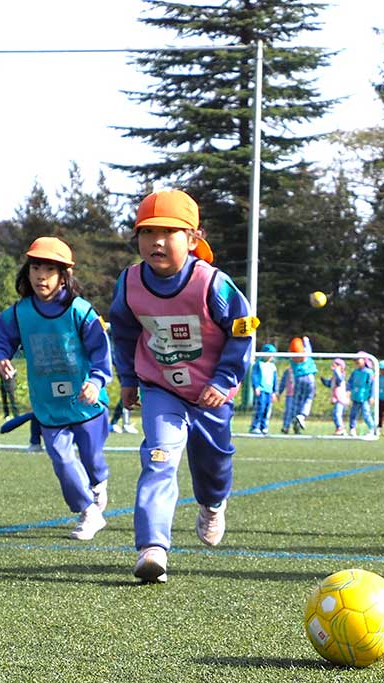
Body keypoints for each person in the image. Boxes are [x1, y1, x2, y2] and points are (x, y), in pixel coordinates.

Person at [107, 189, 255, 583]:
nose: (156, 241)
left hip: (209, 394)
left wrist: (224, 380)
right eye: (147, 231)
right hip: (161, 388)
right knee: (158, 459)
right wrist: (127, 378)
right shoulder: (129, 283)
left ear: (193, 238)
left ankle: (212, 503)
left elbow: (243, 330)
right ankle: (152, 548)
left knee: (214, 461)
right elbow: (122, 332)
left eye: (169, 232)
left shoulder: (214, 284)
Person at [0, 236, 113, 540]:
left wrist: (96, 382)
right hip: (48, 405)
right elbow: (1, 338)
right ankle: (89, 511)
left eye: (48, 269)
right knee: (61, 457)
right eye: (35, 268)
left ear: (64, 276)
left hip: (87, 403)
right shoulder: (20, 312)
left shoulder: (81, 311)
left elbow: (101, 352)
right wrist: (0, 357)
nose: (40, 276)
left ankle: (98, 485)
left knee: (92, 460)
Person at [248, 343, 278, 435]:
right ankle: (255, 426)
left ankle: (264, 426)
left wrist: (274, 392)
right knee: (260, 408)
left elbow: (275, 380)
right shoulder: (258, 365)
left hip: (269, 391)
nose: (270, 356)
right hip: (261, 391)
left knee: (267, 409)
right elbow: (254, 376)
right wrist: (256, 386)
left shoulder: (272, 366)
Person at [289, 335, 317, 432]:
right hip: (309, 378)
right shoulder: (307, 355)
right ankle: (302, 415)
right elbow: (308, 348)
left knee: (297, 399)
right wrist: (306, 340)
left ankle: (295, 417)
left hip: (298, 379)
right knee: (308, 398)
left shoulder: (292, 360)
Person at [346, 356, 376, 436]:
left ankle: (372, 429)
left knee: (366, 413)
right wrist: (348, 393)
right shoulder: (355, 372)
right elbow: (350, 383)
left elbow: (372, 385)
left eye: (358, 359)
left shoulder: (369, 372)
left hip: (365, 397)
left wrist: (372, 396)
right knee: (353, 413)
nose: (357, 361)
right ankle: (352, 429)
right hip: (356, 396)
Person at [322, 357, 348, 435]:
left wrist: (336, 370)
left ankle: (340, 428)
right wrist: (323, 380)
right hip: (336, 399)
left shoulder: (341, 376)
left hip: (341, 399)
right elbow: (329, 384)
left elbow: (339, 381)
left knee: (337, 414)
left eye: (336, 365)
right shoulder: (334, 377)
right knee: (335, 414)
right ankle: (340, 428)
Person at [277, 361, 296, 434]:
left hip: (299, 395)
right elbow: (283, 383)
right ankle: (286, 426)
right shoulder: (288, 371)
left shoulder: (302, 371)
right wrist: (279, 392)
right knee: (288, 411)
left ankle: (296, 426)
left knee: (297, 412)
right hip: (290, 395)